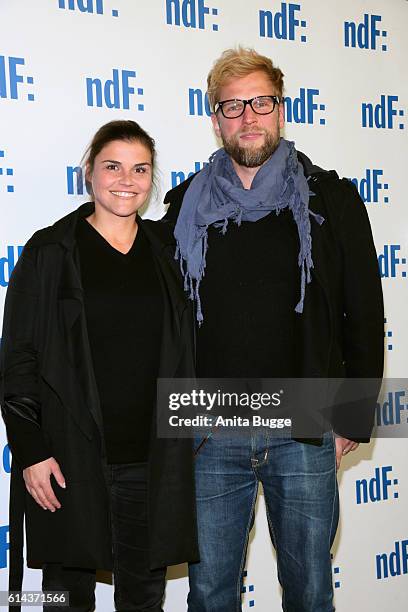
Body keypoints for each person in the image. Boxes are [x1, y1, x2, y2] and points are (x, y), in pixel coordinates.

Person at [163, 48, 384, 611]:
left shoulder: (330, 199)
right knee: (211, 593)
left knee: (309, 588)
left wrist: (351, 418)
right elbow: (159, 321)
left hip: (305, 428)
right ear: (215, 119)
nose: (249, 117)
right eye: (233, 106)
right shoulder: (184, 207)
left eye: (261, 102)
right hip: (211, 430)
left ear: (281, 109)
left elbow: (363, 311)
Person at [0, 120, 198, 612]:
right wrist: (30, 451)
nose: (126, 179)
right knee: (64, 599)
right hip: (68, 458)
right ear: (89, 172)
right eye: (112, 166)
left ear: (152, 179)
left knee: (145, 598)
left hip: (149, 460)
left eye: (139, 169)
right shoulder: (49, 251)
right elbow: (18, 357)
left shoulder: (167, 252)